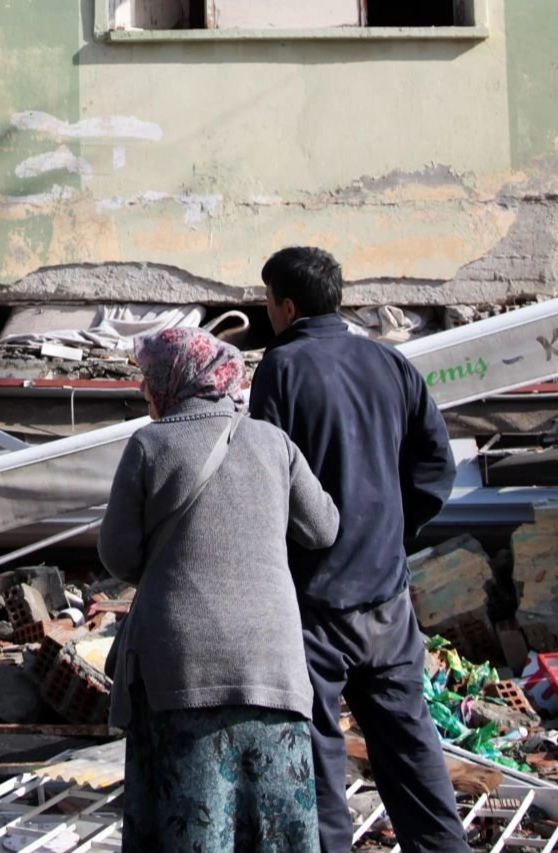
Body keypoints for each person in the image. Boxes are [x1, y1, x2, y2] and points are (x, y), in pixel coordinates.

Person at [248, 246, 466, 853]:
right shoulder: (389, 363)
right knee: (412, 750)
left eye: (267, 300)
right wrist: (396, 535)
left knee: (319, 764)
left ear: (285, 306)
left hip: (316, 605)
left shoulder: (281, 370)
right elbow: (435, 467)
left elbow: (270, 480)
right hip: (388, 601)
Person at [99, 327, 339, 853]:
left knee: (191, 823)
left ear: (172, 380)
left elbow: (116, 555)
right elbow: (323, 527)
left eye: (148, 377)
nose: (144, 389)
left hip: (180, 669)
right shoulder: (274, 443)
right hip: (272, 667)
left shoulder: (149, 444)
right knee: (276, 829)